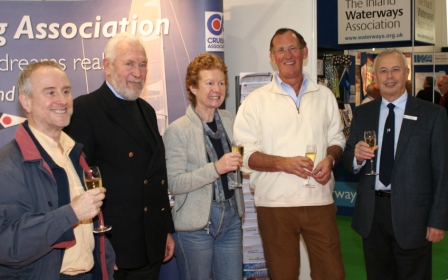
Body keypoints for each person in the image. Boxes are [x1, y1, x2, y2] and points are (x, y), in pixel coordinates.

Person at [233, 28, 346, 280]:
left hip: (319, 201)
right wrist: (282, 163)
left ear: (304, 52)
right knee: (283, 275)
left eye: (293, 48)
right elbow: (244, 154)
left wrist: (330, 158)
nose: (288, 55)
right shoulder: (255, 101)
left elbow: (337, 139)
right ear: (272, 57)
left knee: (333, 275)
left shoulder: (325, 96)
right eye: (281, 50)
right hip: (275, 206)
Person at [64, 33, 175, 280]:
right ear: (107, 66)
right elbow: (77, 184)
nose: (138, 72)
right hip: (114, 246)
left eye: (143, 64)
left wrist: (165, 229)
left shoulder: (146, 110)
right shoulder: (84, 110)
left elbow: (157, 176)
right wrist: (101, 245)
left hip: (150, 242)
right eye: (129, 64)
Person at [0, 61, 115, 279]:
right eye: (50, 92)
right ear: (26, 101)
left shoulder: (74, 152)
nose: (62, 100)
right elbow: (6, 245)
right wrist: (70, 214)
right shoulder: (8, 165)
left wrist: (106, 259)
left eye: (66, 91)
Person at [342, 49, 448, 279]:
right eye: (383, 71)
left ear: (407, 73)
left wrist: (438, 220)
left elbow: (443, 172)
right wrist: (356, 157)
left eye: (396, 69)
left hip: (415, 216)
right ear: (376, 77)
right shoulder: (363, 113)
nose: (390, 76)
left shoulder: (433, 115)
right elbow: (348, 159)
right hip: (372, 215)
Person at [164, 53, 245, 280]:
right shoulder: (178, 130)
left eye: (220, 83)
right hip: (195, 227)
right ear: (193, 87)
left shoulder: (228, 118)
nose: (216, 89)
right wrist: (216, 168)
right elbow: (175, 183)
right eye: (209, 83)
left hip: (230, 218)